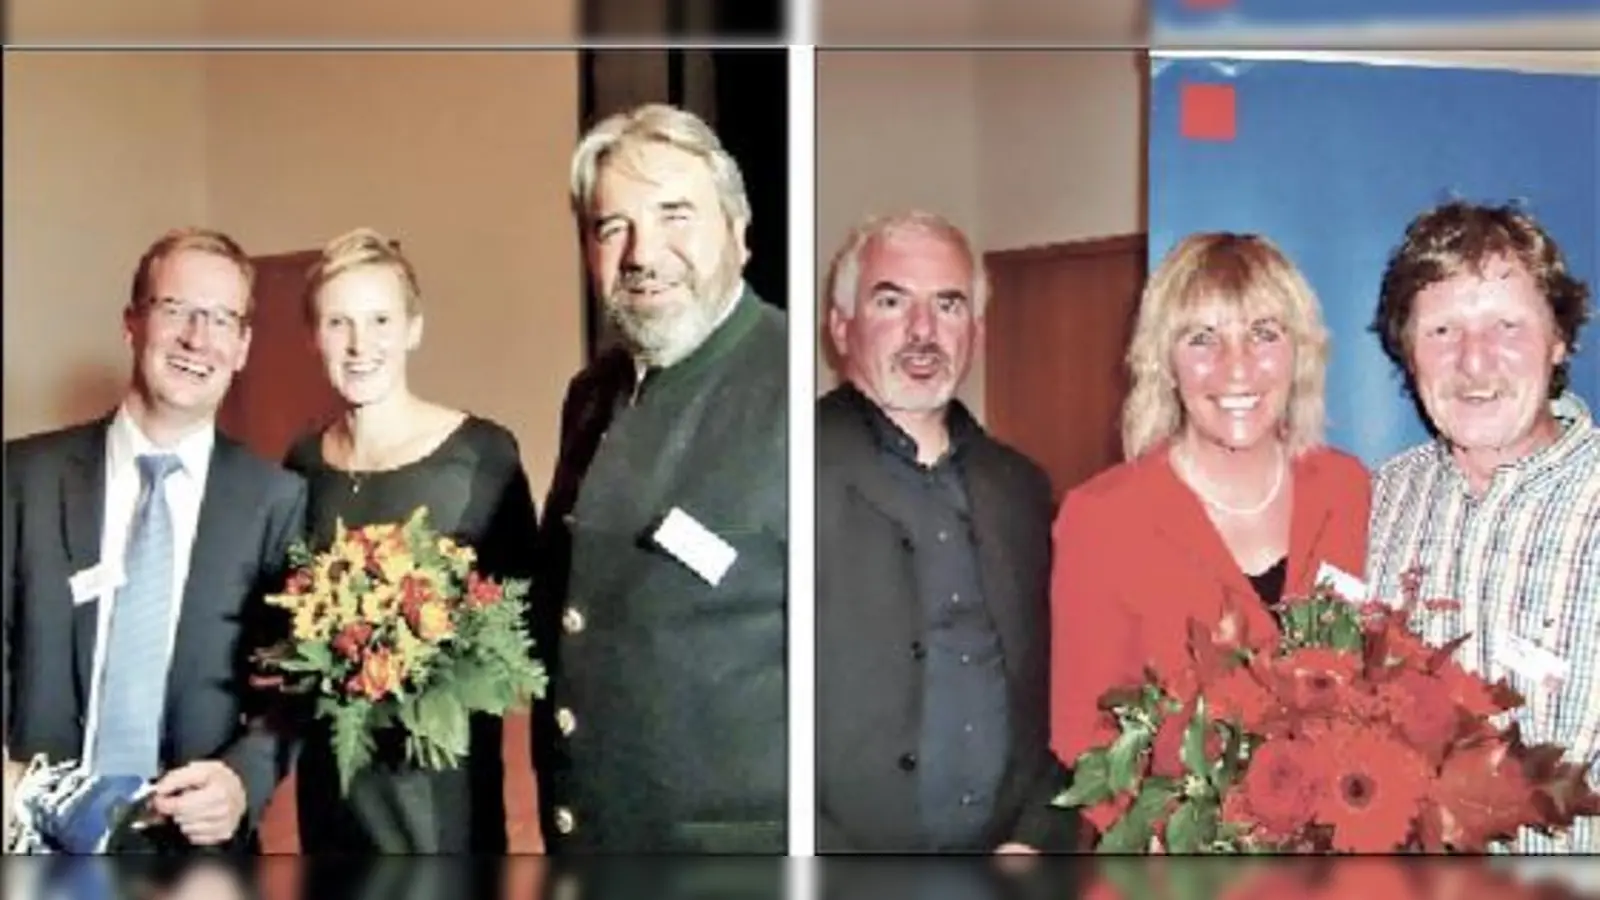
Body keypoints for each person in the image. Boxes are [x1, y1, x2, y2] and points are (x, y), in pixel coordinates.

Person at [1049, 233, 1371, 843]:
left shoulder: (1348, 489)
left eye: (1264, 333)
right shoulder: (1101, 518)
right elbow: (1083, 738)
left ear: (1300, 353)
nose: (1237, 367)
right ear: (1164, 362)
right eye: (1202, 338)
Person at [533, 102, 787, 853]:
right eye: (613, 227)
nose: (643, 254)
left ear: (739, 231)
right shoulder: (591, 396)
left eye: (676, 215)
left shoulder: (798, 385)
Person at [2, 228, 306, 850]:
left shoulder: (275, 501)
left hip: (192, 847)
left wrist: (243, 781)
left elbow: (298, 687)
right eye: (176, 309)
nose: (198, 337)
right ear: (132, 323)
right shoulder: (23, 477)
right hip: (28, 834)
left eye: (222, 319)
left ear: (243, 347)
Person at [815, 211, 1076, 853]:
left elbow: (1061, 688)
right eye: (892, 301)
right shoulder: (782, 471)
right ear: (841, 327)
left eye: (948, 305)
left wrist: (1037, 835)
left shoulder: (1024, 489)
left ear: (977, 333)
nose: (923, 331)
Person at [282, 227, 540, 853]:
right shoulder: (300, 464)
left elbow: (524, 624)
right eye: (338, 323)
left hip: (440, 799)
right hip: (333, 792)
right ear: (314, 336)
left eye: (379, 320)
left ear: (413, 328)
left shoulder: (481, 455)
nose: (359, 344)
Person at [1364, 202, 1598, 853]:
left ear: (1559, 339)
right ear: (1408, 350)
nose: (1473, 361)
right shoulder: (1380, 499)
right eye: (1442, 330)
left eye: (1506, 326)